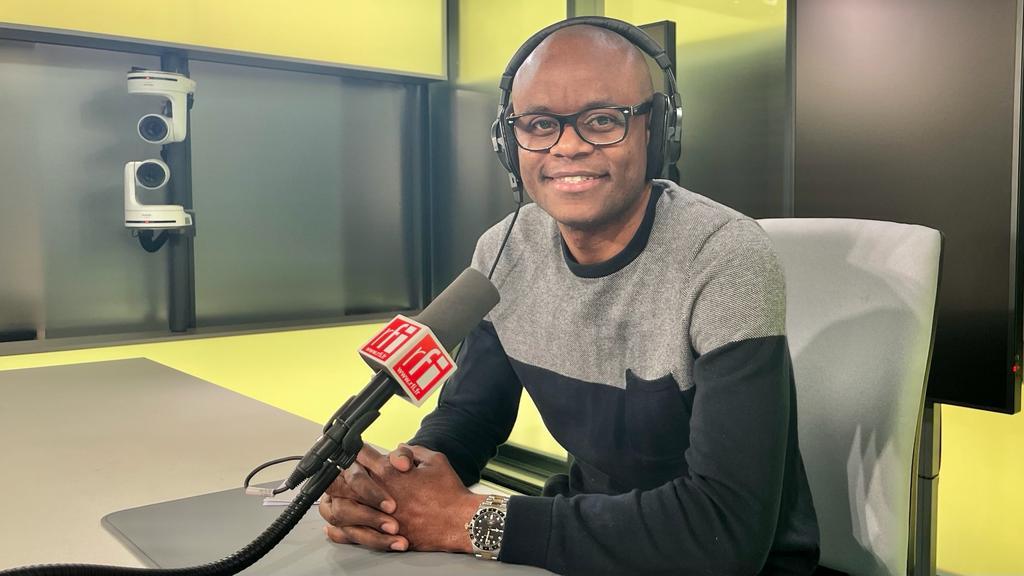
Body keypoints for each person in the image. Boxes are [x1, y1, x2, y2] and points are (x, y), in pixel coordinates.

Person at [319, 20, 820, 576]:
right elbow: (469, 416)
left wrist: (470, 521)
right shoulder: (504, 252)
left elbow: (724, 529)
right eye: (539, 124)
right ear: (509, 142)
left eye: (602, 120)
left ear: (656, 130)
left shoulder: (724, 258)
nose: (569, 146)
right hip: (582, 550)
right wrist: (396, 496)